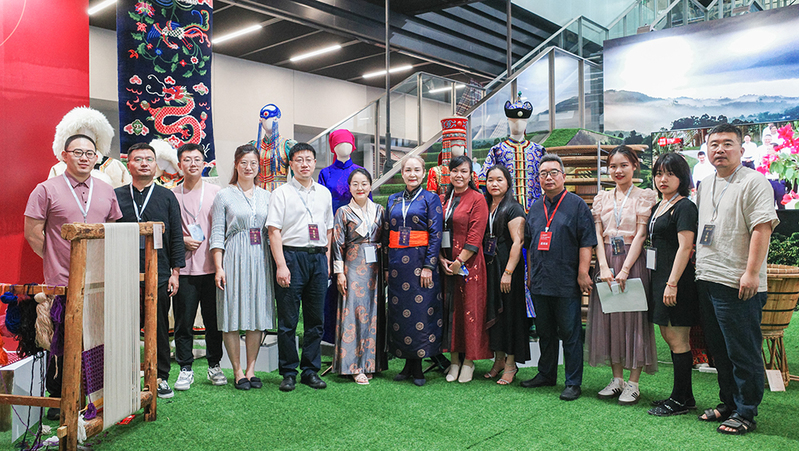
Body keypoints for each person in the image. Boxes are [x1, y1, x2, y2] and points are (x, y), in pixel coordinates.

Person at [24, 134, 123, 420]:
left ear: (96, 158)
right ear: (64, 155)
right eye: (77, 152)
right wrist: (56, 259)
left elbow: (114, 231)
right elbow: (33, 233)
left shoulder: (106, 190)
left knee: (97, 336)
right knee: (64, 339)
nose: (84, 158)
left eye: (89, 153)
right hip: (62, 280)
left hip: (99, 279)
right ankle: (60, 399)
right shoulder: (46, 189)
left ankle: (95, 395)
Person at [695, 123, 778, 435]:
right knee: (720, 350)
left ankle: (746, 412)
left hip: (738, 282)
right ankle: (728, 403)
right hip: (708, 278)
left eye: (727, 143)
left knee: (743, 351)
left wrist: (752, 273)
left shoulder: (754, 182)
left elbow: (762, 228)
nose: (720, 149)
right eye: (714, 144)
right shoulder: (705, 184)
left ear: (742, 150)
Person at [520, 154, 596, 401]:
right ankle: (546, 374)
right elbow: (529, 245)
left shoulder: (577, 205)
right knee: (545, 331)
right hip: (540, 280)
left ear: (563, 176)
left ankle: (573, 382)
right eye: (543, 174)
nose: (548, 177)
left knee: (570, 333)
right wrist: (530, 275)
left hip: (566, 280)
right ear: (538, 179)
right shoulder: (534, 207)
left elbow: (587, 242)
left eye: (553, 173)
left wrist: (583, 273)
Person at [587, 145, 658, 406]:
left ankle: (633, 383)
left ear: (634, 166)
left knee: (634, 319)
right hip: (606, 260)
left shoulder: (644, 196)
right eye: (613, 166)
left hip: (633, 260)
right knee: (610, 319)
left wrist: (626, 269)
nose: (618, 171)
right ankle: (616, 379)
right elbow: (597, 233)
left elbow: (641, 234)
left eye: (624, 165)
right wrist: (603, 266)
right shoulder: (602, 198)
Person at [115, 142, 185, 399]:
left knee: (158, 326)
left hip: (160, 271)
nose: (144, 163)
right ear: (129, 165)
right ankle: (126, 377)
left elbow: (176, 235)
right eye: (138, 159)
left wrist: (175, 272)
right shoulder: (117, 195)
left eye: (149, 159)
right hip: (123, 272)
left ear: (156, 165)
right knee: (125, 327)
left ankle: (160, 376)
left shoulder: (167, 196)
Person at [267, 143, 334, 392]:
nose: (304, 164)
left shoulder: (324, 193)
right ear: (291, 164)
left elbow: (329, 229)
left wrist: (327, 260)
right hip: (291, 257)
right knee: (288, 320)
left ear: (315, 163)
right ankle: (288, 372)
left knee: (316, 320)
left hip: (318, 258)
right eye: (299, 160)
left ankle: (310, 371)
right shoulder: (281, 193)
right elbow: (274, 231)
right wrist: (281, 265)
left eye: (308, 159)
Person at [210, 143, 275, 390]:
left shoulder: (267, 196)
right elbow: (217, 233)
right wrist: (219, 267)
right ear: (236, 165)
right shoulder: (224, 195)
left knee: (257, 313)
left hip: (260, 257)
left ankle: (251, 369)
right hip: (234, 257)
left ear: (259, 167)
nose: (249, 167)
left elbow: (273, 231)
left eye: (253, 163)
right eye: (244, 163)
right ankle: (237, 371)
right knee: (231, 312)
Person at [646, 152, 700, 416]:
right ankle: (685, 397)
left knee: (678, 339)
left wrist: (672, 283)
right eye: (659, 174)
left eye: (669, 174)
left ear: (682, 177)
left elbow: (685, 247)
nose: (663, 179)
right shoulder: (660, 206)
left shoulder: (685, 206)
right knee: (669, 336)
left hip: (676, 281)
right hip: (660, 278)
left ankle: (679, 400)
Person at [383, 156, 444, 386]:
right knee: (400, 313)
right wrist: (387, 266)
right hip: (397, 265)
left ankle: (418, 366)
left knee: (420, 312)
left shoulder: (431, 198)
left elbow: (436, 235)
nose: (412, 174)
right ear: (402, 173)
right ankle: (407, 364)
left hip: (420, 263)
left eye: (417, 170)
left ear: (424, 173)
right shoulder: (393, 199)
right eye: (408, 170)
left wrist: (429, 266)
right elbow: (387, 233)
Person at [171, 143, 224, 390]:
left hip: (212, 268)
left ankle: (215, 365)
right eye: (187, 159)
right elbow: (166, 230)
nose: (192, 164)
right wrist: (182, 240)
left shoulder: (217, 192)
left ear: (205, 163)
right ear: (179, 164)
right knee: (184, 322)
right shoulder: (172, 194)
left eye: (197, 159)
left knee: (214, 322)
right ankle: (185, 368)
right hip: (184, 270)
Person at [331, 168, 387, 384]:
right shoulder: (343, 212)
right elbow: (337, 244)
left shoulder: (380, 210)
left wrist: (386, 270)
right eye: (355, 184)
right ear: (350, 188)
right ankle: (353, 366)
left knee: (373, 313)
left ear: (370, 186)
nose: (360, 188)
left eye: (364, 183)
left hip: (375, 267)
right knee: (353, 313)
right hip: (352, 267)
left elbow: (385, 240)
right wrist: (339, 273)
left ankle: (370, 363)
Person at [438, 155, 490, 384]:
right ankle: (454, 360)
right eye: (455, 170)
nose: (459, 175)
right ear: (449, 173)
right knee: (450, 311)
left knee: (470, 311)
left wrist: (459, 261)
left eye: (464, 171)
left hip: (470, 266)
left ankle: (469, 361)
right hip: (445, 265)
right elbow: (435, 232)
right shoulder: (443, 199)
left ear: (471, 175)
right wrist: (441, 259)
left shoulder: (478, 199)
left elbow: (476, 235)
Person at [318, 129, 368, 345]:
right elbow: (321, 203)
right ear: (333, 147)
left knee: (355, 281)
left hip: (356, 234)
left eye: (347, 143)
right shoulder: (325, 173)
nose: (344, 147)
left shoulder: (360, 172)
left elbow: (367, 201)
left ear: (353, 145)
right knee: (332, 283)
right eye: (339, 143)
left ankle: (356, 332)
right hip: (332, 231)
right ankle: (330, 333)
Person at [481, 164, 530, 385]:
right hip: (491, 267)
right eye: (490, 180)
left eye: (499, 179)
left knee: (510, 315)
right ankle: (498, 360)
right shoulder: (486, 205)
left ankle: (511, 364)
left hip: (508, 270)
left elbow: (518, 242)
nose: (494, 184)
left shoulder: (513, 208)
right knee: (495, 314)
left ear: (508, 183)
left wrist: (508, 272)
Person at [477, 95, 545, 213]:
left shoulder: (539, 150)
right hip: (505, 209)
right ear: (508, 121)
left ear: (526, 122)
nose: (518, 124)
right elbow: (484, 181)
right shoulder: (497, 150)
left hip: (535, 209)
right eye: (514, 120)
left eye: (522, 121)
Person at [427, 117, 477, 195]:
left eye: (462, 143)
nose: (460, 147)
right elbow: (431, 198)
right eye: (456, 143)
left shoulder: (472, 174)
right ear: (447, 145)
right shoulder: (435, 172)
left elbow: (475, 195)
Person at [256, 104, 297, 191]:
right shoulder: (254, 146)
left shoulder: (287, 145)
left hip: (280, 191)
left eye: (270, 118)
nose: (267, 121)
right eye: (264, 119)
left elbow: (296, 175)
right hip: (257, 191)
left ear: (277, 119)